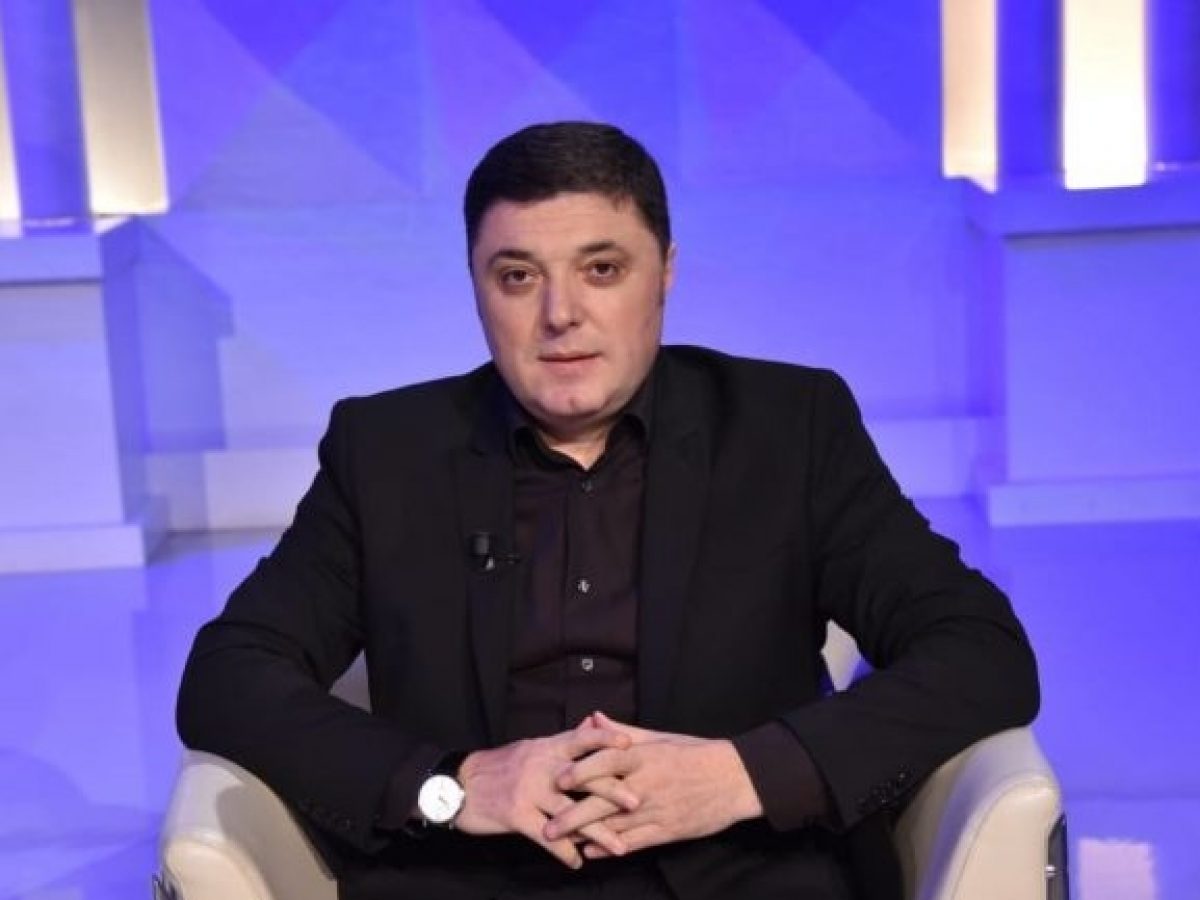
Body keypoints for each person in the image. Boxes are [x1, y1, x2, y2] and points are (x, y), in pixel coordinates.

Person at [177, 121, 1039, 900]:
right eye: (518, 276)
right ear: (476, 287)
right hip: (472, 880)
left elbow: (981, 650)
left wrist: (742, 775)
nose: (561, 315)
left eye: (602, 270)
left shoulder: (789, 429)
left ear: (665, 273)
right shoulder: (387, 452)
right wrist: (451, 785)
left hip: (740, 874)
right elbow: (228, 675)